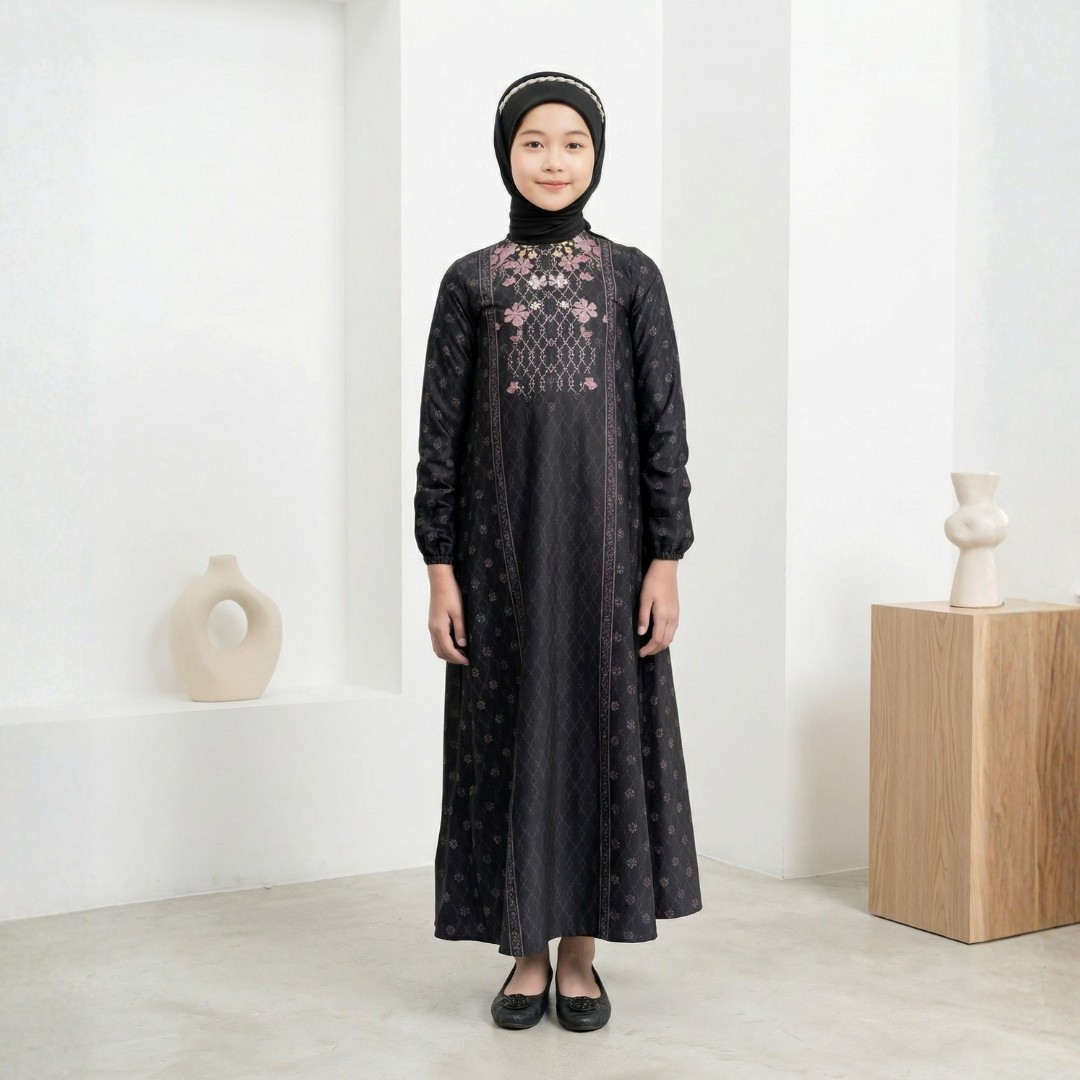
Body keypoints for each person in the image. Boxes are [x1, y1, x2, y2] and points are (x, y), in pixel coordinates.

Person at [413, 71, 701, 1033]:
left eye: (573, 143)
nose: (553, 161)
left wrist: (665, 558)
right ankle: (526, 952)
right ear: (506, 153)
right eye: (533, 142)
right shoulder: (471, 282)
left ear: (597, 157)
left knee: (596, 740)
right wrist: (440, 568)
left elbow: (664, 427)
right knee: (510, 742)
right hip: (497, 567)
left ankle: (580, 955)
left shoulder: (630, 278)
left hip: (609, 565)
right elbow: (440, 436)